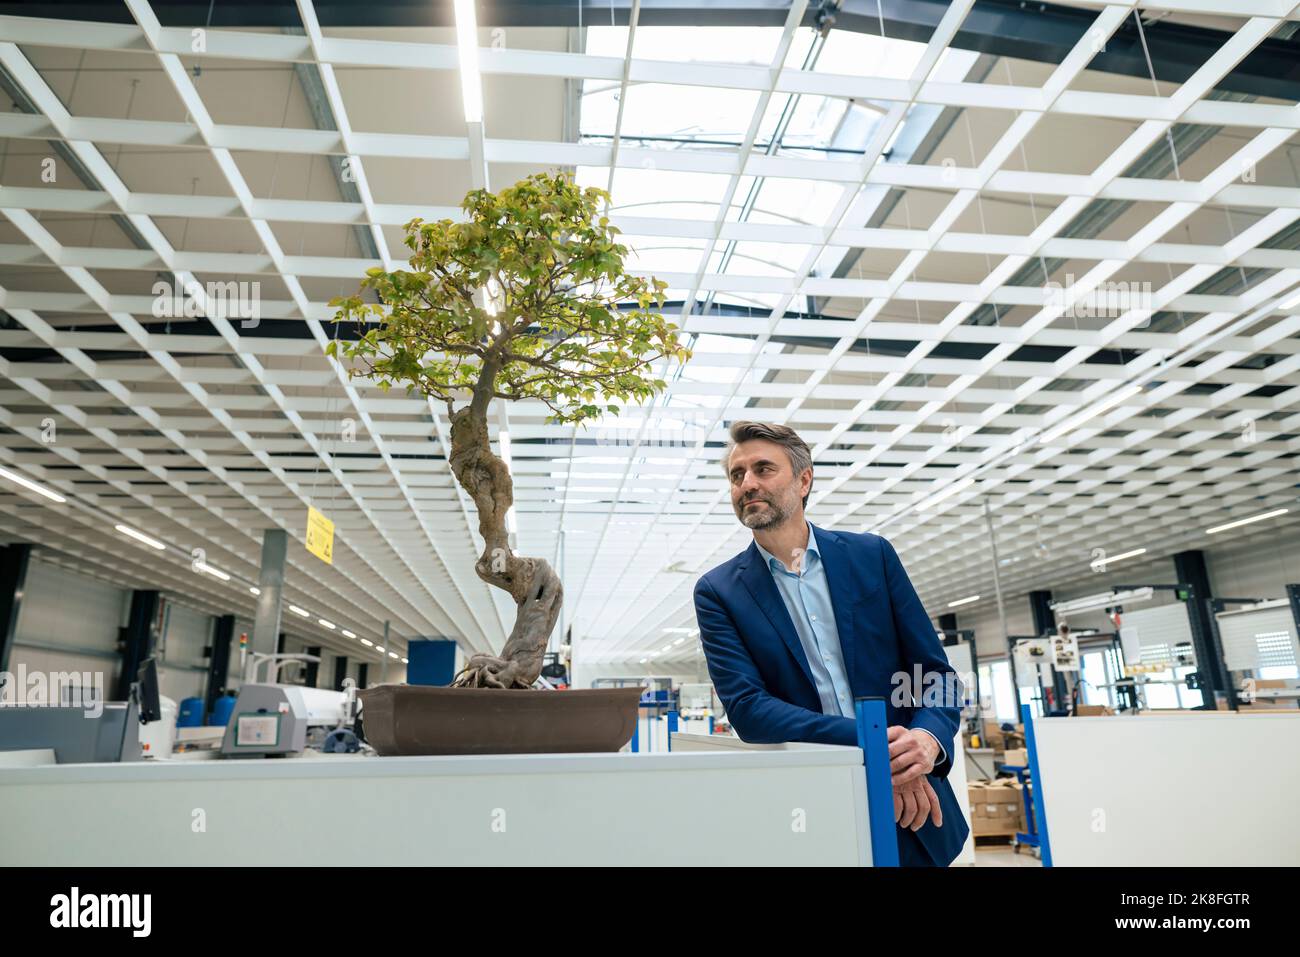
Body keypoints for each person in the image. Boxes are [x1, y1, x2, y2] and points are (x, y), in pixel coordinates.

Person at [693, 420, 969, 867]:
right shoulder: (719, 591)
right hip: (805, 808)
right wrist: (875, 746)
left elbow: (936, 676)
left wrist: (924, 739)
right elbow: (749, 709)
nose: (747, 483)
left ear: (804, 480)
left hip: (913, 809)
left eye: (763, 469)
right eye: (736, 474)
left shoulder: (871, 556)